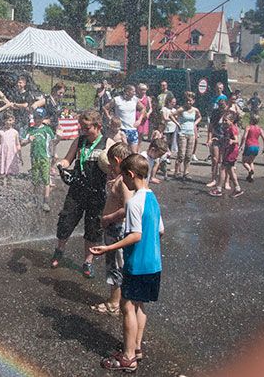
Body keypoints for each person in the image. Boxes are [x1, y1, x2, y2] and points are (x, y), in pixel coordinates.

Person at [90, 153, 164, 373]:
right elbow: (160, 231)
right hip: (154, 264)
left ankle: (128, 357)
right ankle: (137, 348)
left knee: (127, 306)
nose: (123, 181)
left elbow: (135, 235)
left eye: (124, 177)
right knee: (139, 305)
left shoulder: (133, 202)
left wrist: (109, 248)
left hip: (137, 264)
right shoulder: (153, 198)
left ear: (130, 175)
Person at [50, 109, 108, 279]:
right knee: (66, 220)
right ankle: (59, 251)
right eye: (81, 127)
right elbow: (68, 159)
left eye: (86, 127)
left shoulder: (108, 142)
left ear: (98, 126)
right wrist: (61, 165)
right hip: (77, 190)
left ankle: (87, 262)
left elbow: (115, 166)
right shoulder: (79, 141)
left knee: (93, 228)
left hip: (97, 193)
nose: (82, 130)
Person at [91, 142, 133, 317]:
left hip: (116, 229)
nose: (110, 168)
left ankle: (114, 303)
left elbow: (128, 207)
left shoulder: (123, 181)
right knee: (114, 263)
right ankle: (116, 300)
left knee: (115, 265)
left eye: (111, 165)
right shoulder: (121, 179)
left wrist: (108, 218)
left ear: (117, 160)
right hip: (113, 229)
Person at [22, 107, 57, 212]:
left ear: (43, 118)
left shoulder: (47, 129)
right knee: (35, 180)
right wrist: (28, 140)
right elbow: (22, 143)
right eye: (36, 117)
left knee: (46, 180)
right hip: (34, 158)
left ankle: (45, 201)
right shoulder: (31, 130)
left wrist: (54, 153)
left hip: (45, 157)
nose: (37, 120)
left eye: (40, 118)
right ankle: (34, 200)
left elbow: (53, 141)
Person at [209, 112, 244, 198]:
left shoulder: (232, 128)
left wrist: (232, 141)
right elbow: (225, 138)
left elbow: (237, 140)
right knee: (230, 170)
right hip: (228, 150)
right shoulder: (227, 128)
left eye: (226, 120)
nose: (224, 122)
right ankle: (237, 189)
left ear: (232, 121)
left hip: (231, 152)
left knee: (222, 168)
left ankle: (219, 189)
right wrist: (216, 139)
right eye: (223, 120)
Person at [104, 84, 145, 153]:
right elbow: (105, 108)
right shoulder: (117, 99)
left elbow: (143, 108)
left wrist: (139, 120)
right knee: (120, 152)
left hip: (132, 129)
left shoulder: (135, 100)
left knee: (134, 152)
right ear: (127, 92)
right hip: (120, 129)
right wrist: (109, 118)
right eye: (133, 91)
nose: (135, 93)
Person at [171, 91, 202, 180]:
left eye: (190, 101)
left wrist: (195, 123)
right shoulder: (181, 109)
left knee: (189, 154)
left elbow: (199, 117)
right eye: (187, 100)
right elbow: (171, 115)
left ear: (193, 101)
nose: (189, 102)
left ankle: (186, 172)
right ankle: (177, 172)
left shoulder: (195, 110)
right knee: (181, 154)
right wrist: (177, 123)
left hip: (191, 133)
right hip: (182, 133)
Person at [0, 112, 21, 186]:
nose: (8, 122)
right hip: (2, 152)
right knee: (2, 168)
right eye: (6, 120)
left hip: (11, 153)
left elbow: (18, 144)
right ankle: (1, 183)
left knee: (10, 169)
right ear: (3, 121)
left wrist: (20, 155)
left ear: (13, 121)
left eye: (10, 120)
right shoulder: (0, 132)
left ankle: (9, 184)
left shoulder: (15, 132)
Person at [206, 97, 228, 187]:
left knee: (224, 161)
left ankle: (225, 181)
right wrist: (209, 139)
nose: (221, 108)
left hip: (225, 138)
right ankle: (213, 179)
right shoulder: (215, 113)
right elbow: (210, 127)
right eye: (219, 105)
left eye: (222, 106)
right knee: (215, 159)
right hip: (216, 137)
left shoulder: (229, 113)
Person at [239, 114, 264, 182]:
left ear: (251, 120)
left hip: (249, 145)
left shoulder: (248, 127)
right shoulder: (260, 129)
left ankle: (250, 170)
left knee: (244, 162)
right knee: (251, 161)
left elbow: (244, 137)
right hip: (256, 146)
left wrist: (241, 145)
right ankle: (251, 177)